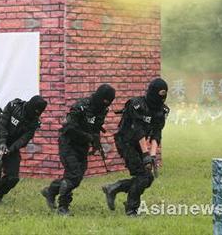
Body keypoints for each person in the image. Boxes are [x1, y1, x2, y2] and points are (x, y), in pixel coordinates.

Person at [41, 84, 115, 216]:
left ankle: (51, 191)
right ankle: (63, 207)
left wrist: (96, 142)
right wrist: (88, 137)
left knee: (77, 177)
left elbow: (96, 127)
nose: (105, 104)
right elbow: (69, 128)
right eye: (104, 101)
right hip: (68, 143)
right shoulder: (81, 106)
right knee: (73, 175)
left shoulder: (102, 110)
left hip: (82, 146)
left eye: (108, 102)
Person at [102, 78, 169, 216]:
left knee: (148, 178)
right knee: (143, 175)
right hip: (126, 142)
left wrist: (152, 155)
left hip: (140, 144)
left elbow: (157, 134)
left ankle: (113, 188)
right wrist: (145, 155)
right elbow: (137, 131)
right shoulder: (136, 104)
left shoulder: (161, 111)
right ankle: (131, 210)